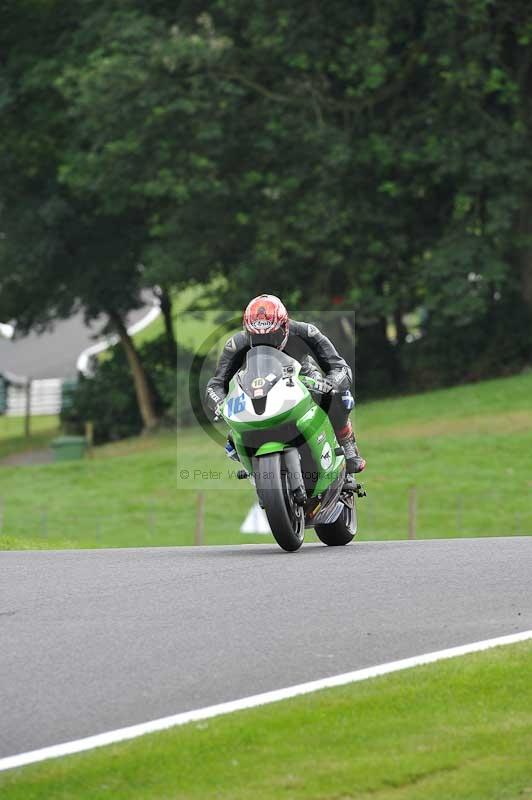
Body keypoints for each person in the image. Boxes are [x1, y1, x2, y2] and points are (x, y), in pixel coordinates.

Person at [205, 294, 366, 473]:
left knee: (340, 396)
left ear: (284, 326)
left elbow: (340, 367)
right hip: (259, 390)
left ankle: (346, 442)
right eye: (256, 338)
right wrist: (220, 403)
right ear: (247, 331)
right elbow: (215, 385)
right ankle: (253, 467)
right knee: (232, 437)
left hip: (303, 382)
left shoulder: (306, 332)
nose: (265, 343)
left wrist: (330, 383)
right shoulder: (236, 344)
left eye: (272, 336)